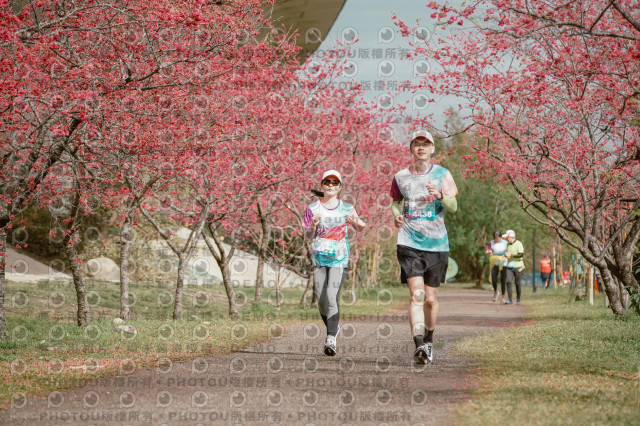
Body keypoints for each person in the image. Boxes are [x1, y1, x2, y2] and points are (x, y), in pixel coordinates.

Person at [390, 128, 458, 364]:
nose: (421, 147)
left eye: (425, 144)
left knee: (430, 298)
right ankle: (419, 345)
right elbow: (395, 203)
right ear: (411, 148)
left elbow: (454, 207)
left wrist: (440, 195)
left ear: (432, 148)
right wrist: (397, 216)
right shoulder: (400, 177)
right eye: (417, 144)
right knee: (416, 295)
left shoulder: (443, 174)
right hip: (408, 242)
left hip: (437, 244)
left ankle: (429, 340)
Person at [303, 169, 366, 356]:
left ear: (339, 187)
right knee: (322, 302)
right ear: (322, 185)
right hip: (319, 259)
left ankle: (330, 338)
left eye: (335, 183)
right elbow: (307, 236)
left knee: (331, 296)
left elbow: (360, 226)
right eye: (327, 182)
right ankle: (334, 326)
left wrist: (359, 224)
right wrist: (313, 226)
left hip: (340, 259)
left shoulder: (346, 208)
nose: (331, 185)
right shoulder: (313, 208)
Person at [502, 229, 524, 304]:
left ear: (511, 237)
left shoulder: (518, 243)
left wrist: (511, 255)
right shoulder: (507, 245)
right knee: (508, 281)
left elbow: (521, 254)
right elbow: (507, 254)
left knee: (517, 283)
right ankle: (510, 299)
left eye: (507, 238)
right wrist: (505, 257)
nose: (507, 239)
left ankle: (518, 299)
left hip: (518, 266)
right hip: (509, 266)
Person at [486, 231, 508, 302]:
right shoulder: (491, 242)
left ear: (500, 237)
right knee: (493, 278)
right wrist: (489, 252)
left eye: (498, 237)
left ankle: (503, 297)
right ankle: (496, 291)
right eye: (495, 237)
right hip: (495, 262)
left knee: (503, 279)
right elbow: (487, 251)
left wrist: (506, 256)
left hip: (503, 262)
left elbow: (508, 251)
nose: (497, 239)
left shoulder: (505, 243)